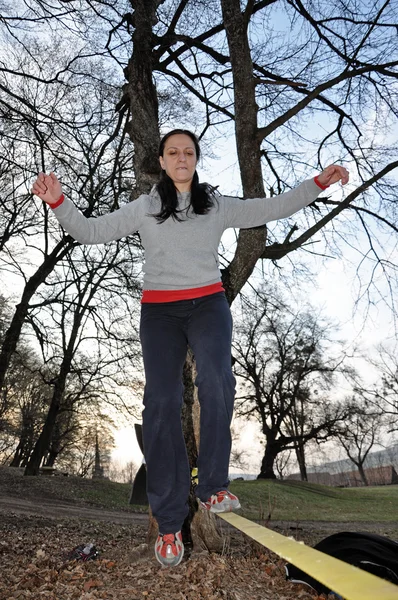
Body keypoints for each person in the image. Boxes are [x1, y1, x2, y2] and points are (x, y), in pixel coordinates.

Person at [32, 129, 349, 568]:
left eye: (189, 152)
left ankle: (214, 485)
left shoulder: (215, 205)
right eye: (173, 152)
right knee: (160, 403)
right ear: (162, 161)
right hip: (159, 312)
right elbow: (90, 231)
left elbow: (270, 207)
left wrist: (318, 183)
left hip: (208, 305)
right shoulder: (146, 207)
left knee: (216, 378)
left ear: (196, 160)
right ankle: (168, 525)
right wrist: (58, 202)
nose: (181, 158)